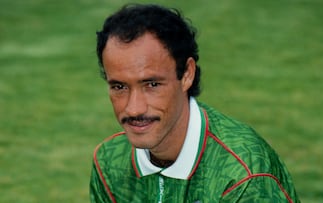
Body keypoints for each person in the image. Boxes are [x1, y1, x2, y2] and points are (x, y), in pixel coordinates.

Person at [90, 3, 300, 203]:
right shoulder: (109, 162)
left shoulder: (243, 175)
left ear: (187, 74)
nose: (134, 108)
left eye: (152, 84)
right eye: (119, 87)